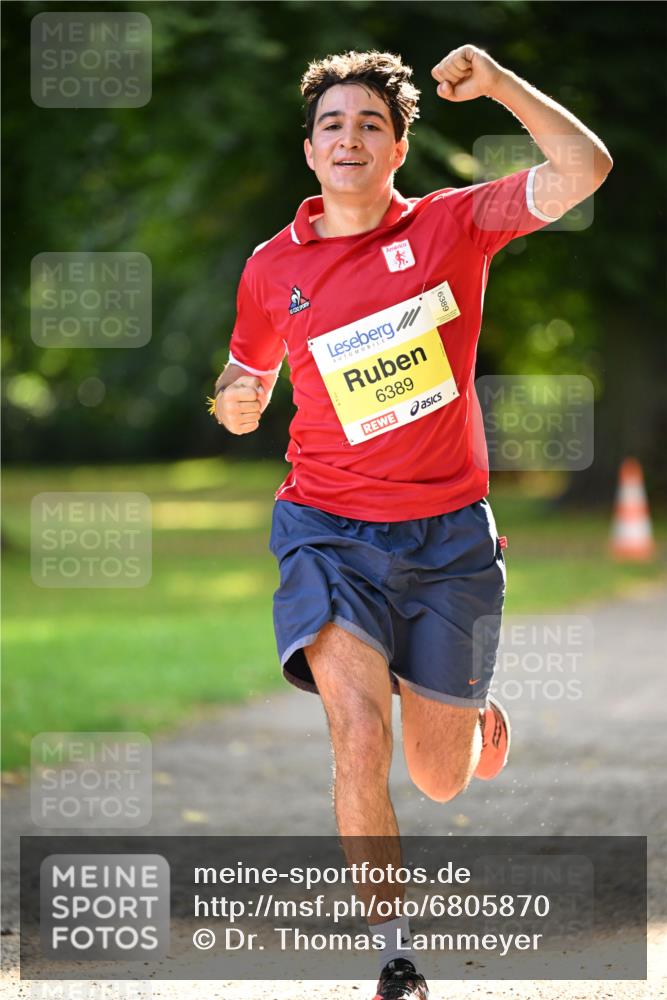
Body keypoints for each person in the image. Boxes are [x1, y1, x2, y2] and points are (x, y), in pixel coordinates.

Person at [208, 45, 612, 1000]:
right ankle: (391, 954)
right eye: (332, 125)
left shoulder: (451, 226)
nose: (349, 138)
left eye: (371, 125)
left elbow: (585, 170)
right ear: (308, 151)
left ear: (398, 149)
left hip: (447, 540)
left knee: (439, 777)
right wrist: (232, 399)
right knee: (356, 735)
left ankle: (461, 707)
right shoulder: (272, 269)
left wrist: (505, 86)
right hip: (326, 528)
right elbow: (245, 372)